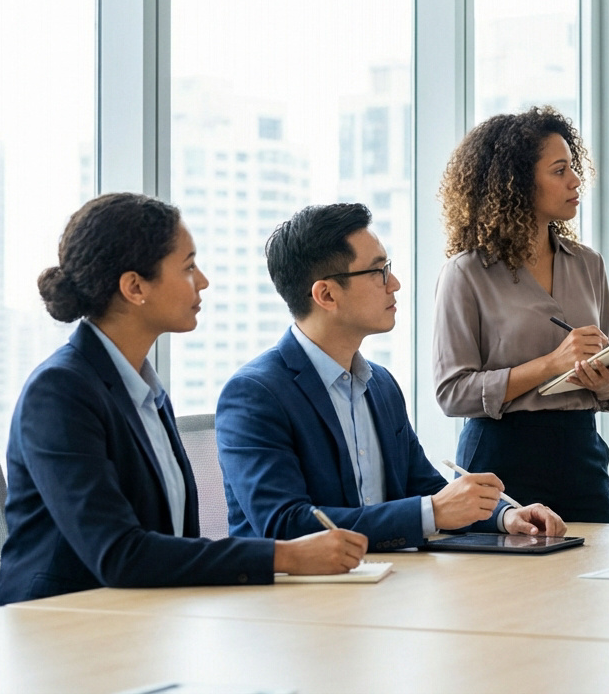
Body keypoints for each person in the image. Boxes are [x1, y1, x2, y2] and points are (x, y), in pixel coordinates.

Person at [0, 193, 365, 607]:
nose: (202, 281)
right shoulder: (60, 391)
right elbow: (119, 554)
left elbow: (169, 543)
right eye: (188, 267)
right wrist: (286, 556)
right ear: (135, 287)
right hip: (54, 622)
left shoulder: (145, 390)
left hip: (138, 618)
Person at [216, 203, 565, 551]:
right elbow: (285, 524)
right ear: (326, 294)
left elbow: (422, 487)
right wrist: (431, 512)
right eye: (378, 271)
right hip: (302, 585)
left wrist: (504, 516)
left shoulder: (380, 383)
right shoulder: (254, 394)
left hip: (387, 576)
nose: (394, 284)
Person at [433, 106, 609, 523]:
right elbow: (452, 392)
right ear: (517, 183)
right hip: (500, 462)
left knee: (596, 564)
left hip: (582, 457)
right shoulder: (466, 273)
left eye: (572, 167)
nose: (575, 180)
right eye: (559, 170)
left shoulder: (589, 264)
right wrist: (551, 364)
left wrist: (607, 382)